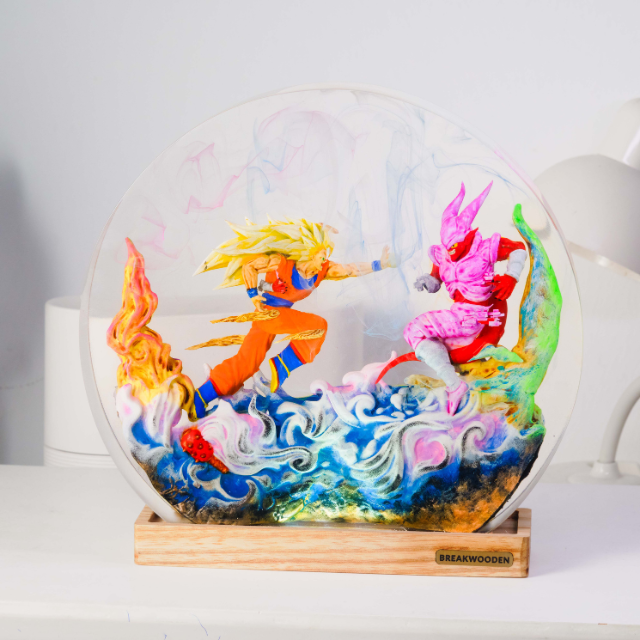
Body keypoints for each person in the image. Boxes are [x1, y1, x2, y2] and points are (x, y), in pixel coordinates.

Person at [191, 217, 396, 419]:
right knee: (316, 327)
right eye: (321, 257)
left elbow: (350, 269)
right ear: (308, 253)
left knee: (247, 362)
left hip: (278, 315)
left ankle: (202, 397)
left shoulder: (321, 271)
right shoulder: (281, 262)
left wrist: (380, 264)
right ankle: (278, 366)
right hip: (267, 312)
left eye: (326, 257)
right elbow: (249, 267)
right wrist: (254, 295)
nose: (323, 263)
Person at [403, 182, 527, 415]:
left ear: (468, 236)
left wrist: (512, 276)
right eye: (447, 245)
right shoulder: (444, 254)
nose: (450, 251)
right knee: (418, 335)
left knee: (413, 330)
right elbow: (436, 279)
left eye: (455, 244)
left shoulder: (485, 249)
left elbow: (518, 248)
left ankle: (454, 386)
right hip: (456, 314)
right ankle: (455, 383)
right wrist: (429, 281)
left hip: (474, 317)